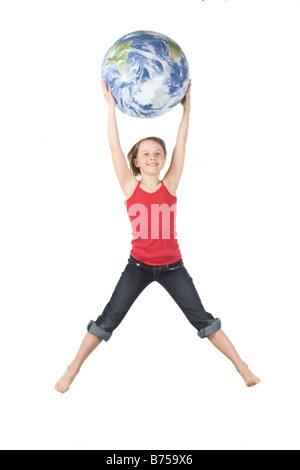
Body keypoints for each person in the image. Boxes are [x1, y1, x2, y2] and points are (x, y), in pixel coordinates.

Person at [55, 80, 260, 393]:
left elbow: (182, 145)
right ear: (136, 161)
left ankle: (242, 365)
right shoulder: (129, 186)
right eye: (146, 153)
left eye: (158, 154)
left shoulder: (171, 184)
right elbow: (113, 147)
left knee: (203, 319)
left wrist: (187, 109)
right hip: (137, 267)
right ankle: (73, 367)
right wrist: (111, 108)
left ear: (164, 160)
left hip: (173, 268)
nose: (153, 157)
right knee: (108, 319)